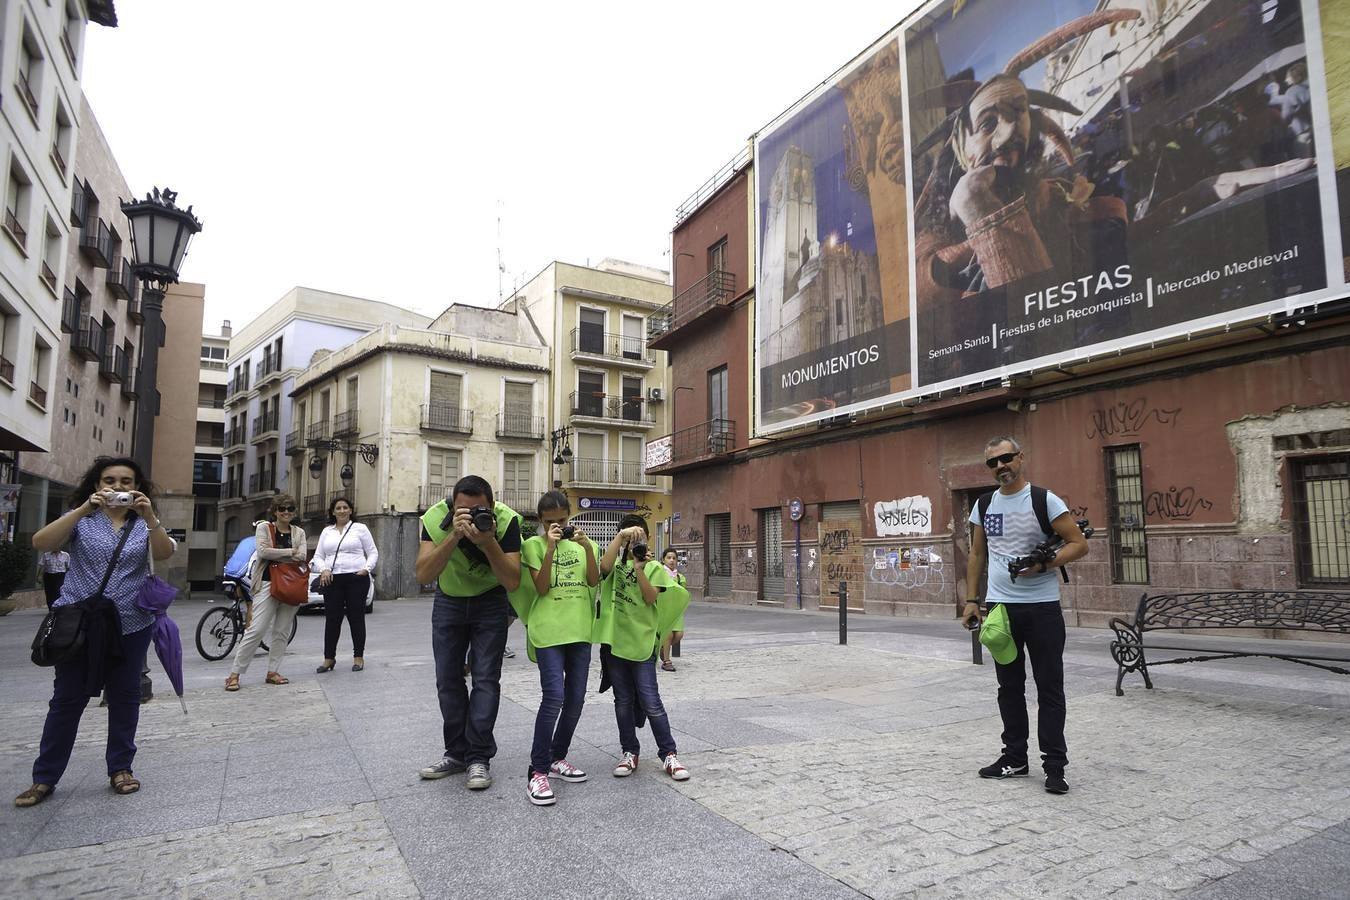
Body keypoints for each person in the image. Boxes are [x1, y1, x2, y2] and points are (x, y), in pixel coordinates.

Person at [15, 456, 176, 807]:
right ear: (96, 484)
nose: (118, 486)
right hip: (79, 625)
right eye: (109, 479)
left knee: (124, 697)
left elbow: (163, 555)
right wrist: (83, 508)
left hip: (131, 624)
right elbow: (42, 542)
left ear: (137, 487)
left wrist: (151, 518)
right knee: (66, 700)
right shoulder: (83, 520)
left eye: (126, 480)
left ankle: (120, 767)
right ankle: (44, 778)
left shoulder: (142, 523)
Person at [961, 436, 1088, 795]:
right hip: (1000, 608)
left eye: (1006, 458)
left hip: (1042, 609)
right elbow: (976, 555)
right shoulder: (983, 505)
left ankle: (1055, 766)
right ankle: (1015, 758)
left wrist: (1047, 563)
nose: (1001, 466)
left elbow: (1079, 543)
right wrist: (972, 600)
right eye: (993, 463)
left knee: (1049, 689)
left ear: (1020, 458)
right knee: (1009, 688)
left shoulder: (1043, 500)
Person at [415, 475, 522, 791]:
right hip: (448, 600)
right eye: (465, 510)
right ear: (452, 505)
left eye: (480, 510)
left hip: (491, 601)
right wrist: (453, 535)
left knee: (486, 677)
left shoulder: (507, 520)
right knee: (447, 678)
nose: (474, 515)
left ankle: (479, 757)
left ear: (491, 505)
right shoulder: (435, 519)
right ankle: (456, 753)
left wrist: (488, 541)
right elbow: (423, 573)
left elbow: (512, 581)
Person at [517, 491, 600, 806]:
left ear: (570, 517)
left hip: (579, 630)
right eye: (551, 522)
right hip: (548, 632)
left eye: (562, 521)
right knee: (554, 697)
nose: (557, 526)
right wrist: (550, 547)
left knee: (576, 700)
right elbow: (541, 587)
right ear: (541, 521)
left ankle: (557, 757)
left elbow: (593, 580)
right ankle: (537, 771)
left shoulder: (583, 544)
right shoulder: (533, 546)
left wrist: (587, 548)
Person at [597, 514, 690, 782]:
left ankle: (669, 753)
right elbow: (602, 569)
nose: (635, 542)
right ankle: (629, 751)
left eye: (639, 537)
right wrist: (621, 538)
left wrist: (639, 567)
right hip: (616, 643)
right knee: (623, 702)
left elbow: (650, 599)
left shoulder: (654, 568)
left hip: (644, 644)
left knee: (651, 701)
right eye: (630, 538)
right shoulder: (615, 564)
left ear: (648, 538)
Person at [225, 495, 306, 691]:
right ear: (275, 511)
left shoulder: (299, 532)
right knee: (256, 629)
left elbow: (302, 555)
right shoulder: (264, 528)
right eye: (282, 509)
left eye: (290, 508)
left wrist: (280, 552)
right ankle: (234, 674)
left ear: (294, 512)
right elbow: (262, 552)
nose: (286, 512)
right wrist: (289, 552)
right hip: (268, 583)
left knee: (281, 631)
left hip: (291, 585)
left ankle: (273, 672)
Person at [310, 497, 377, 674]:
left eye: (345, 507)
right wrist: (323, 569)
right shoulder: (326, 531)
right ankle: (329, 658)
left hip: (356, 577)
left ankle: (358, 657)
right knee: (332, 619)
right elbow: (318, 556)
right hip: (332, 579)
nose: (341, 511)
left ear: (350, 510)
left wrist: (366, 568)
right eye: (338, 508)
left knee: (356, 618)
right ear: (333, 511)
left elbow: (372, 552)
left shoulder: (360, 529)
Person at [658, 548, 687, 672]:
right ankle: (666, 661)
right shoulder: (659, 575)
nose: (671, 560)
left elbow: (683, 594)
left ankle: (662, 649)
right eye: (668, 558)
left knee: (679, 635)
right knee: (668, 634)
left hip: (676, 611)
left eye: (674, 558)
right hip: (663, 610)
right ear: (663, 560)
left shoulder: (680, 578)